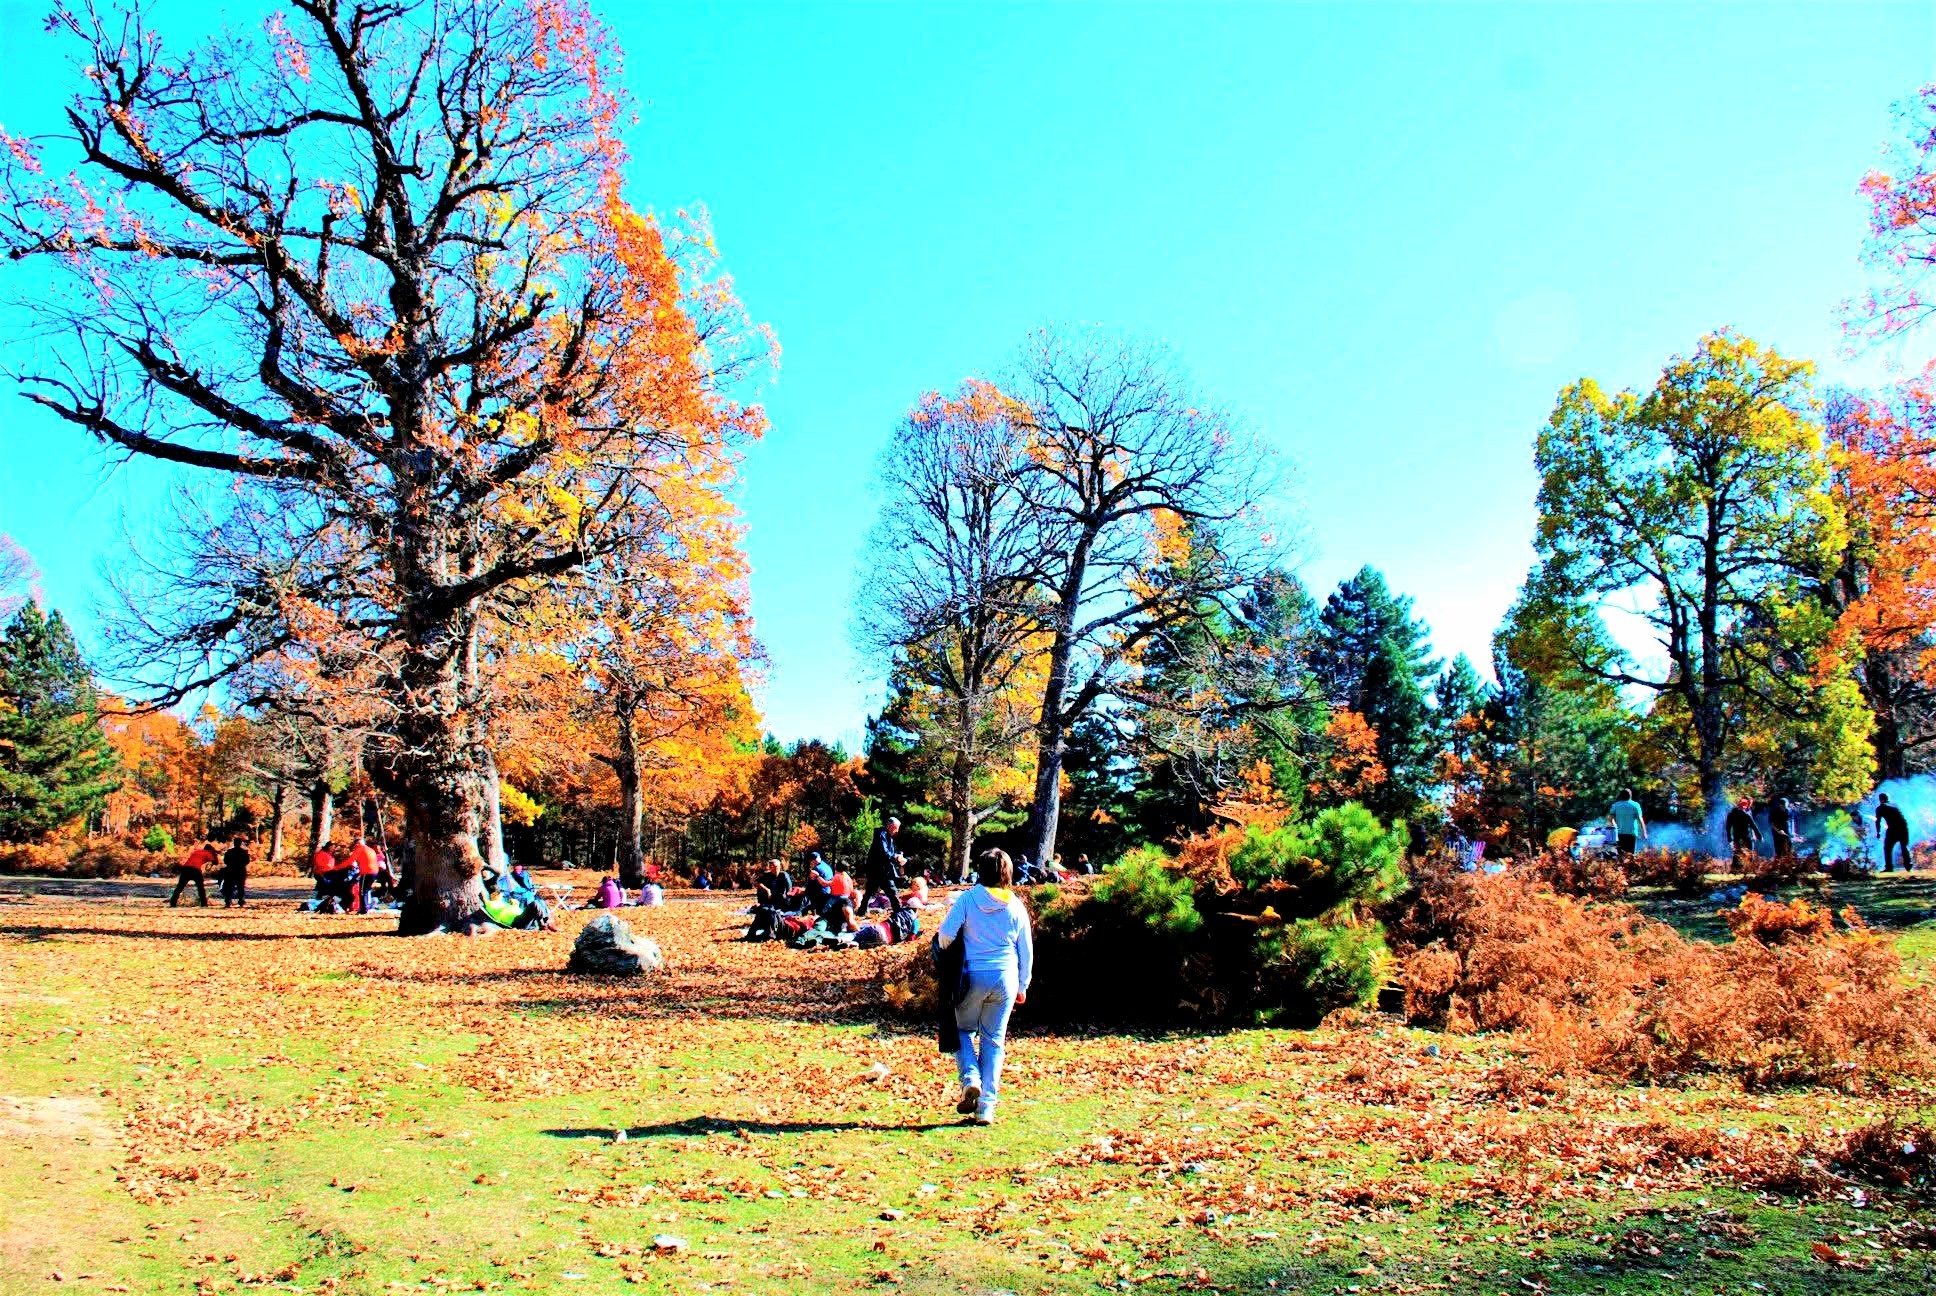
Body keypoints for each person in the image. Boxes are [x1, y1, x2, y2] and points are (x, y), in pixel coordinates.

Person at [938, 848, 1033, 1126]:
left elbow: (945, 934)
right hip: (1006, 977)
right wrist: (1023, 984)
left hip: (971, 976)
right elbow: (1025, 949)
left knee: (961, 1029)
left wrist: (948, 950)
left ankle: (970, 1078)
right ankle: (986, 1108)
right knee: (994, 1040)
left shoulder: (968, 899)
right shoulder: (1016, 905)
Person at [862, 817, 905, 914]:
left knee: (871, 891)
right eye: (896, 827)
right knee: (889, 890)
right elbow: (884, 852)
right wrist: (895, 857)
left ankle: (861, 911)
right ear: (890, 826)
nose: (897, 830)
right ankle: (898, 911)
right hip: (878, 870)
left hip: (881, 869)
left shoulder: (887, 836)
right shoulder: (881, 834)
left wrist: (897, 855)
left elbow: (888, 853)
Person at [170, 840, 216, 907]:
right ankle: (204, 904)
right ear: (210, 850)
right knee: (200, 888)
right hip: (195, 870)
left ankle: (173, 902)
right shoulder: (208, 853)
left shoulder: (196, 851)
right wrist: (214, 853)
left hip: (186, 868)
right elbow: (215, 861)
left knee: (180, 887)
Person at [1877, 793, 1913, 872]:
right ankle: (1908, 865)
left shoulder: (1880, 808)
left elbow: (1878, 821)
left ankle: (1889, 867)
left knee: (1887, 848)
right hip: (1903, 827)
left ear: (1880, 799)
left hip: (1892, 829)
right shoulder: (1895, 805)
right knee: (1904, 846)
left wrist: (1878, 832)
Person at [347, 837, 382, 913]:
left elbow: (350, 861)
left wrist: (337, 868)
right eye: (356, 843)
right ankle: (366, 907)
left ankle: (364, 909)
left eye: (358, 843)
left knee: (362, 891)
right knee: (367, 890)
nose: (356, 845)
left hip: (367, 872)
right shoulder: (370, 849)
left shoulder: (360, 849)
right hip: (374, 872)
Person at [1608, 790, 1646, 857]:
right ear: (1630, 795)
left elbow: (1610, 819)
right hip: (1632, 833)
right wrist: (1644, 832)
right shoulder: (1635, 805)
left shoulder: (1616, 805)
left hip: (1619, 834)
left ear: (1621, 796)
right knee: (1630, 855)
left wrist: (1615, 826)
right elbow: (1640, 819)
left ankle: (1621, 866)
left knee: (1620, 855)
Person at [1725, 798, 1762, 862]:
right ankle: (1749, 866)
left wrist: (1729, 838)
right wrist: (1759, 836)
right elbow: (1753, 825)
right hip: (1746, 836)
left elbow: (1728, 827)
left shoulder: (1731, 814)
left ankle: (1735, 868)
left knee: (1737, 853)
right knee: (1749, 852)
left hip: (1736, 836)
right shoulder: (1746, 814)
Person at [218, 836, 250, 908]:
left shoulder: (229, 852)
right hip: (240, 870)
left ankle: (228, 901)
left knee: (229, 886)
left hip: (230, 870)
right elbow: (247, 861)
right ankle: (241, 901)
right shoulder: (244, 852)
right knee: (240, 887)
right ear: (240, 843)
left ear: (234, 843)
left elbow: (225, 861)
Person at [1767, 794, 1795, 859]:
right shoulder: (1774, 811)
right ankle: (1779, 861)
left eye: (1786, 806)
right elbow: (1771, 823)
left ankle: (1788, 860)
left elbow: (1791, 820)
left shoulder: (1789, 810)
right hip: (1777, 832)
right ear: (1780, 805)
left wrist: (1793, 831)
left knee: (1789, 846)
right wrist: (1778, 831)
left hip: (1787, 830)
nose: (1784, 807)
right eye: (1783, 806)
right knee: (1779, 849)